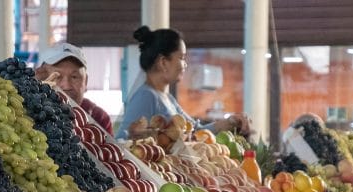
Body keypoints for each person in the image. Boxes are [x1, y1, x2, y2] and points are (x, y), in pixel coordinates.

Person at [116, 25, 250, 139]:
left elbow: (196, 131)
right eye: (182, 58)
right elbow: (124, 143)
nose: (185, 64)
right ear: (163, 62)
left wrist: (231, 122)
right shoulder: (146, 97)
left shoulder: (167, 98)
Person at [34, 43, 113, 135]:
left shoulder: (99, 118)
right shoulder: (27, 114)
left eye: (74, 77)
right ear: (42, 79)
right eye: (57, 76)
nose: (66, 86)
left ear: (86, 81)